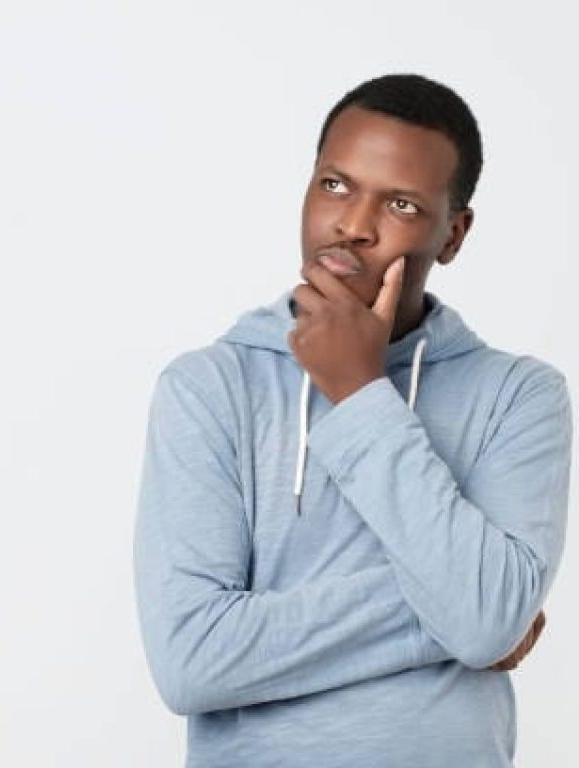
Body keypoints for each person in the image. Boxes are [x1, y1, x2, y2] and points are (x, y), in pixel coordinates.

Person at [132, 73, 572, 767]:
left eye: (399, 203)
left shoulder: (519, 396)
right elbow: (191, 658)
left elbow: (487, 619)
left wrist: (361, 391)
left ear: (452, 234)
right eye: (335, 185)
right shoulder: (210, 386)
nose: (353, 224)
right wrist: (463, 614)